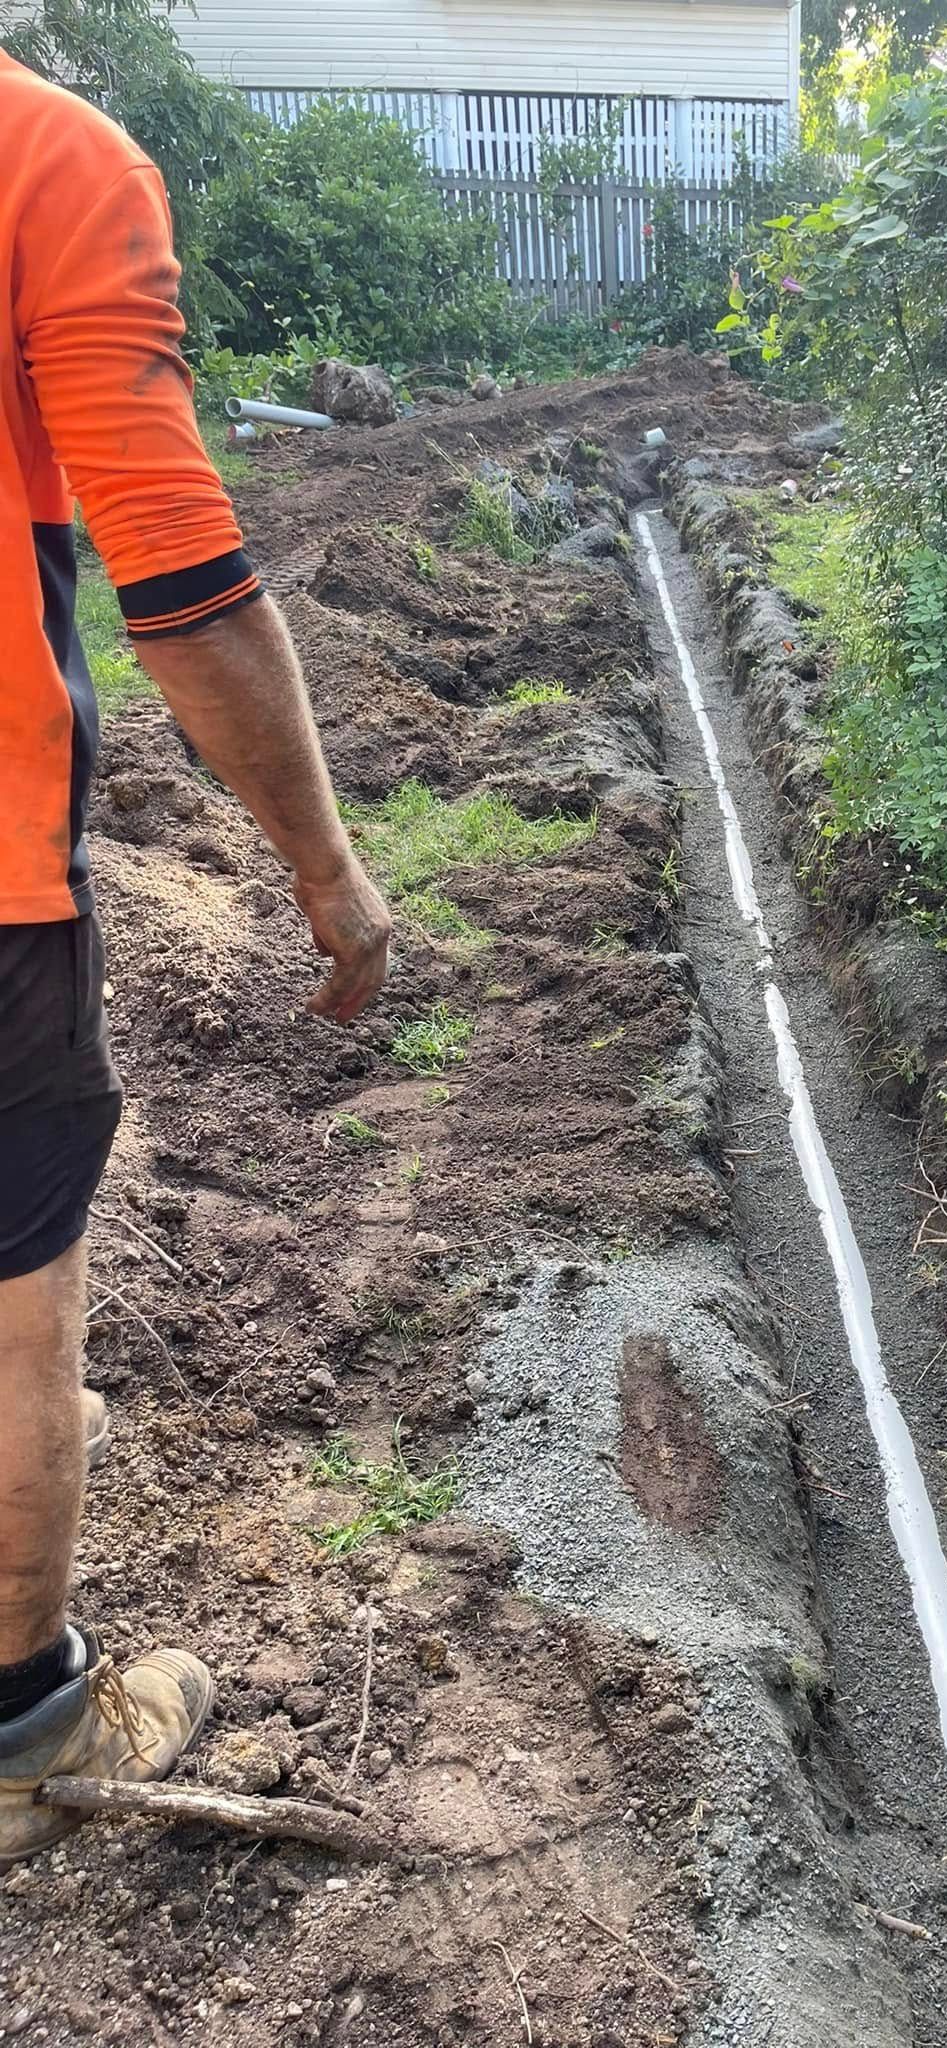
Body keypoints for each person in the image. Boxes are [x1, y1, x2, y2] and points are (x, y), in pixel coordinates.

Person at [0, 52, 392, 1860]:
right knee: (18, 1305)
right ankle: (28, 1715)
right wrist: (324, 868)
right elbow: (176, 568)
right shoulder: (47, 158)